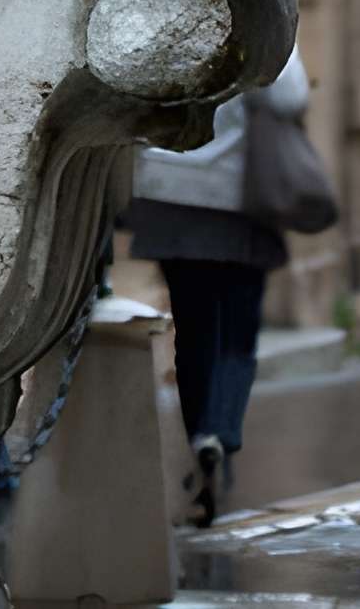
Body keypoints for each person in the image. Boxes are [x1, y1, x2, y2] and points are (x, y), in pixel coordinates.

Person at [126, 45, 308, 526]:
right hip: (232, 195)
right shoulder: (251, 1)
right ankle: (218, 431)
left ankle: (194, 446)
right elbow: (290, 95)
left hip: (165, 192)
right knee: (239, 328)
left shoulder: (155, 15)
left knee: (193, 328)